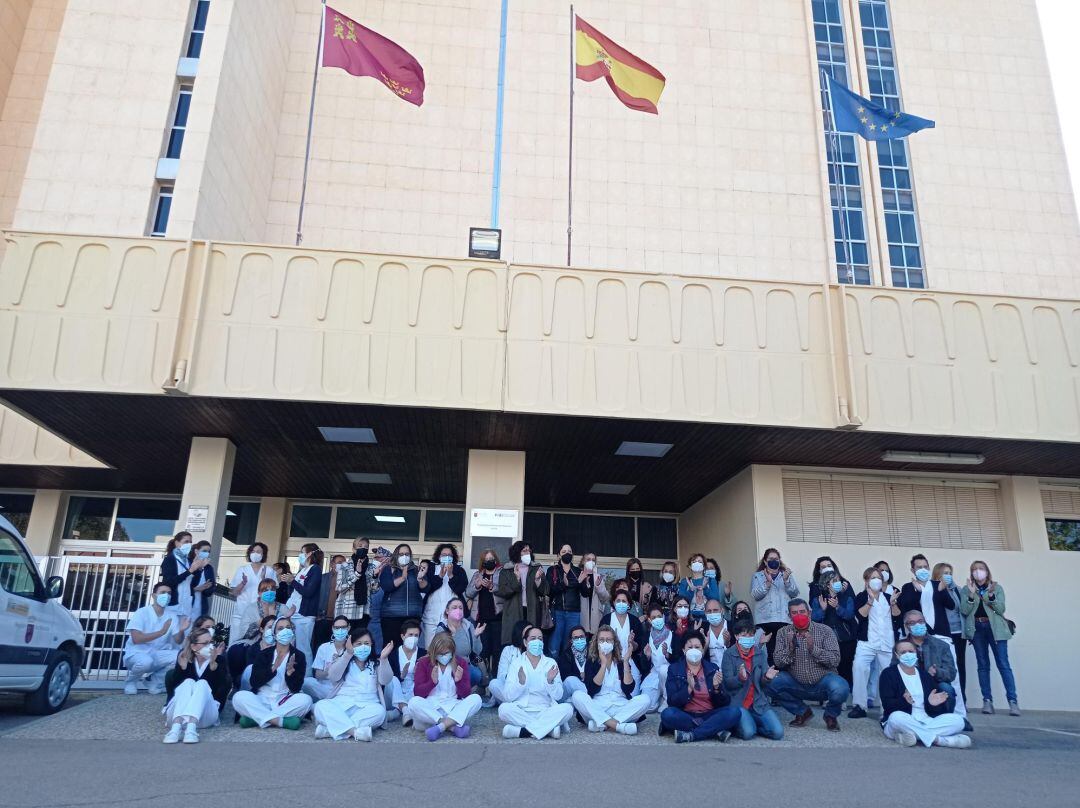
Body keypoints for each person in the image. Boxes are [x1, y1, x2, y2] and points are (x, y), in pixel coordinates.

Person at [764, 599, 849, 731]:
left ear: (809, 613)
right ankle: (802, 712)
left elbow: (835, 660)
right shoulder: (783, 632)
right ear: (789, 615)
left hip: (823, 682)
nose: (799, 615)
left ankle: (830, 716)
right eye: (794, 613)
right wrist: (791, 650)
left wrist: (813, 649)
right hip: (796, 682)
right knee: (768, 682)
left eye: (802, 612)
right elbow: (778, 662)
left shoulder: (825, 630)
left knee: (841, 687)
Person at [879, 639, 970, 748]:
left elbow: (937, 711)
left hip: (926, 720)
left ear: (916, 652)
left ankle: (910, 736)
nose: (908, 654)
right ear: (897, 655)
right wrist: (904, 701)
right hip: (903, 720)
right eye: (903, 652)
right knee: (896, 717)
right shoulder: (888, 674)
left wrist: (933, 704)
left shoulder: (924, 675)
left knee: (958, 721)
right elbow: (887, 705)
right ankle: (940, 740)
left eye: (911, 651)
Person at [959, 560, 1019, 716]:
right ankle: (987, 701)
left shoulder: (996, 587)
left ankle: (1013, 702)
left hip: (995, 629)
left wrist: (990, 595)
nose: (978, 572)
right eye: (974, 569)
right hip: (977, 629)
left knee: (1003, 664)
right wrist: (971, 595)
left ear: (987, 570)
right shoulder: (967, 589)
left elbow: (1000, 609)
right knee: (983, 665)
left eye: (981, 568)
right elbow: (964, 610)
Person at [232, 617, 313, 730]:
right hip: (262, 699)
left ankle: (256, 718)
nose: (285, 631)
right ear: (274, 634)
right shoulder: (264, 654)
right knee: (238, 697)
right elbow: (254, 682)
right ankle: (280, 721)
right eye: (280, 628)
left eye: (288, 628)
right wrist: (273, 668)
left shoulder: (299, 656)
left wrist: (290, 674)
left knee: (306, 700)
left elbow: (296, 688)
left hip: (284, 700)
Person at [661, 631, 741, 743]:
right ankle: (714, 730)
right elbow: (672, 701)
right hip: (685, 714)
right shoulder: (674, 669)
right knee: (668, 714)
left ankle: (692, 735)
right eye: (690, 647)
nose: (693, 650)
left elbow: (724, 703)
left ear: (703, 650)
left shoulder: (712, 668)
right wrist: (689, 688)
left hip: (709, 714)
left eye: (697, 647)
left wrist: (716, 688)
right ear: (684, 650)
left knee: (734, 712)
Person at [570, 625, 650, 734]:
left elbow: (628, 689)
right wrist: (603, 665)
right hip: (598, 707)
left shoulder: (621, 663)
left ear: (614, 642)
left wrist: (626, 661)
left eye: (609, 640)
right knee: (577, 695)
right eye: (602, 640)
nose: (605, 643)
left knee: (645, 699)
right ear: (596, 643)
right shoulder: (591, 662)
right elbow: (592, 689)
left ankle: (603, 724)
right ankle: (618, 726)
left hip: (620, 707)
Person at [499, 625, 574, 739]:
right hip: (522, 710)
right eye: (533, 638)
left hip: (546, 710)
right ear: (525, 642)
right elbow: (507, 696)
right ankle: (548, 730)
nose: (537, 642)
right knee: (503, 709)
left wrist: (550, 681)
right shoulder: (516, 663)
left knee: (568, 709)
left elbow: (558, 696)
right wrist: (520, 683)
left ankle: (521, 732)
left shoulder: (550, 663)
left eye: (540, 639)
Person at [311, 628, 387, 741]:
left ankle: (330, 730)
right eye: (359, 644)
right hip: (342, 704)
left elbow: (386, 680)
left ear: (372, 644)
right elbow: (332, 676)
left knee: (380, 712)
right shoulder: (344, 659)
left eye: (366, 643)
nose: (363, 647)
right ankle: (355, 732)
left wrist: (384, 659)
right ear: (351, 645)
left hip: (368, 705)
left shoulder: (376, 663)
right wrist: (347, 654)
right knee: (321, 706)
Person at [407, 632, 483, 741]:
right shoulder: (424, 663)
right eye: (440, 654)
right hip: (431, 707)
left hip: (453, 707)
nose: (443, 656)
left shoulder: (461, 662)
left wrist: (458, 681)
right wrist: (432, 682)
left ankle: (439, 727)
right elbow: (417, 692)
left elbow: (466, 694)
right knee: (413, 702)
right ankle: (452, 727)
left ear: (452, 651)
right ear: (434, 651)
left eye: (446, 653)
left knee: (476, 699)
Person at [161, 627, 229, 744]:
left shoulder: (219, 660)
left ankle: (191, 730)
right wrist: (182, 669)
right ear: (193, 647)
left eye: (211, 642)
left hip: (204, 716)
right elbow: (175, 691)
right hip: (178, 715)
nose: (210, 646)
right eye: (205, 643)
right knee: (188, 682)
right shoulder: (185, 658)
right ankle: (175, 730)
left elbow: (222, 691)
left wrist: (213, 666)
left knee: (202, 683)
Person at [850, 566, 900, 718]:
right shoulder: (861, 596)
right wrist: (870, 602)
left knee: (887, 674)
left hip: (886, 642)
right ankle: (860, 705)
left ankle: (887, 709)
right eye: (873, 578)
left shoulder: (887, 597)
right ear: (866, 581)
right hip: (867, 642)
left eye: (878, 577)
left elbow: (897, 615)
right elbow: (861, 615)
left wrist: (893, 604)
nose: (876, 580)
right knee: (859, 668)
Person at [722, 619, 784, 740]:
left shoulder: (760, 654)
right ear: (736, 636)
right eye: (744, 635)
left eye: (751, 635)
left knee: (778, 733)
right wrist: (739, 678)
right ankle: (746, 725)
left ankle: (755, 726)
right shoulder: (729, 654)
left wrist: (767, 677)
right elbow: (728, 683)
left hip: (758, 702)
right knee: (748, 733)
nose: (748, 638)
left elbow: (763, 684)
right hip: (739, 702)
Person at [123, 582, 188, 695]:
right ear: (153, 596)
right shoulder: (142, 612)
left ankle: (152, 681)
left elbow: (178, 640)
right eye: (163, 593)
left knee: (181, 656)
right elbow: (136, 639)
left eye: (169, 593)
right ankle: (131, 682)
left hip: (157, 654)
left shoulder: (172, 615)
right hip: (137, 654)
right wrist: (161, 632)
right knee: (146, 661)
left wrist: (182, 630)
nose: (166, 596)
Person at [809, 563, 857, 690]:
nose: (838, 583)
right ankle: (830, 694)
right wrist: (823, 609)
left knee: (846, 668)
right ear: (827, 584)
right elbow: (814, 618)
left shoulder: (846, 598)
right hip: (827, 641)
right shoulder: (819, 599)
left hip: (846, 639)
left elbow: (849, 615)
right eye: (834, 581)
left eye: (839, 580)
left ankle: (846, 694)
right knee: (829, 669)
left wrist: (837, 607)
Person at [750, 547, 799, 662]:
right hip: (765, 620)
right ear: (765, 561)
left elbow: (794, 593)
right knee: (769, 652)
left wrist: (786, 581)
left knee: (784, 650)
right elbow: (755, 595)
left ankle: (782, 675)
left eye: (776, 559)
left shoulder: (786, 574)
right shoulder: (757, 576)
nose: (774, 561)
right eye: (771, 559)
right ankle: (770, 676)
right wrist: (767, 584)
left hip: (783, 619)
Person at [228, 542, 277, 648]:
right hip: (241, 612)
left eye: (259, 551)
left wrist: (263, 579)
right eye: (253, 551)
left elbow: (272, 593)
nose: (255, 554)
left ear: (263, 554)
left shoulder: (269, 571)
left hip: (260, 615)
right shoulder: (242, 569)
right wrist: (243, 583)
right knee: (236, 644)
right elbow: (234, 593)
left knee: (258, 645)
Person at [499, 541, 547, 647]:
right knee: (514, 641)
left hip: (532, 610)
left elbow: (545, 590)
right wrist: (516, 579)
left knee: (531, 640)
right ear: (517, 552)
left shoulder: (536, 567)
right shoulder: (506, 570)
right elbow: (503, 591)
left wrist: (538, 580)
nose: (527, 553)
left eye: (529, 551)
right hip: (513, 610)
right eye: (524, 550)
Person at [420, 544, 468, 648]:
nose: (446, 557)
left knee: (451, 649)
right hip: (432, 617)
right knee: (431, 649)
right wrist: (440, 576)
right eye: (444, 554)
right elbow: (427, 588)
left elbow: (461, 589)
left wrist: (451, 575)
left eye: (449, 555)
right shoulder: (431, 570)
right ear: (438, 556)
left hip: (452, 618)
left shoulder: (459, 570)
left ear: (453, 557)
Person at [466, 548, 505, 670]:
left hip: (498, 618)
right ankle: (483, 681)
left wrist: (492, 586)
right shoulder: (477, 575)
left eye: (491, 559)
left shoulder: (501, 572)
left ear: (495, 560)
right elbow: (468, 593)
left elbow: (505, 591)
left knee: (497, 651)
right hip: (481, 619)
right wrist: (477, 586)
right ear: (483, 561)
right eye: (486, 559)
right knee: (483, 651)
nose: (489, 561)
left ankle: (494, 681)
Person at [378, 619, 423, 725]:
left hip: (413, 690)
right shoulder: (393, 654)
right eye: (410, 634)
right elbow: (386, 678)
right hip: (395, 690)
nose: (413, 638)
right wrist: (401, 675)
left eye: (416, 635)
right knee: (393, 679)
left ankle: (398, 712)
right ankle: (405, 711)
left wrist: (418, 675)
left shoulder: (423, 654)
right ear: (403, 636)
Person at [935, 561, 968, 703]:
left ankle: (961, 699)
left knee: (960, 665)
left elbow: (964, 609)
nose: (948, 576)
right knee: (943, 666)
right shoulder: (934, 589)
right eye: (944, 573)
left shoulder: (958, 590)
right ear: (937, 574)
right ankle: (944, 698)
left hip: (958, 633)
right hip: (943, 633)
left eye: (949, 573)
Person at [379, 543, 423, 647]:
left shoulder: (416, 570)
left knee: (410, 647)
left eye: (407, 554)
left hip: (413, 616)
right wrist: (402, 578)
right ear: (396, 555)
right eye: (401, 554)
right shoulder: (389, 568)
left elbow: (426, 588)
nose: (404, 556)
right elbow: (386, 586)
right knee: (391, 647)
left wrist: (421, 579)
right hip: (391, 616)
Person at [435, 596, 485, 687]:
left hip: (465, 664)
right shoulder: (442, 628)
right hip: (447, 666)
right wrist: (452, 635)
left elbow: (477, 651)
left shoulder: (468, 626)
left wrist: (476, 637)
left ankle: (463, 691)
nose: (458, 610)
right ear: (447, 611)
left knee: (476, 675)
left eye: (460, 608)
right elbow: (441, 653)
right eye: (454, 608)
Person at [303, 614, 353, 702]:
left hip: (344, 688)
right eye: (337, 628)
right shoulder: (324, 647)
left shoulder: (352, 648)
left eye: (343, 627)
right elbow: (318, 675)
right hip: (325, 688)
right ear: (332, 629)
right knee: (307, 682)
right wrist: (329, 670)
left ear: (348, 628)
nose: (340, 630)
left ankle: (325, 704)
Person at [285, 543, 323, 658]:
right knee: (290, 645)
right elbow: (294, 592)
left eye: (302, 552)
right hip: (293, 612)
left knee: (303, 648)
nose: (300, 555)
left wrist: (293, 581)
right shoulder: (302, 570)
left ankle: (306, 675)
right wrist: (289, 582)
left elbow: (308, 592)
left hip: (304, 615)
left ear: (310, 554)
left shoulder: (315, 569)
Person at [334, 537, 377, 632]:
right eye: (360, 546)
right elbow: (339, 587)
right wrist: (357, 574)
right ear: (353, 549)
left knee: (359, 641)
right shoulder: (345, 566)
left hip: (364, 611)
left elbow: (374, 590)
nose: (363, 548)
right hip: (347, 611)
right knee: (346, 640)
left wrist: (375, 576)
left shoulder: (371, 567)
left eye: (366, 547)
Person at [546, 543, 582, 656]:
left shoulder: (577, 571)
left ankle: (568, 670)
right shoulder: (553, 570)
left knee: (570, 645)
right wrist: (563, 584)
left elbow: (585, 593)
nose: (567, 554)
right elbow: (549, 590)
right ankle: (553, 670)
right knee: (554, 644)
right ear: (558, 555)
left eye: (570, 552)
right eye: (564, 552)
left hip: (574, 612)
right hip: (557, 611)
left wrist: (586, 584)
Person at [160, 531, 204, 621]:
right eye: (186, 542)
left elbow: (193, 583)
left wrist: (198, 569)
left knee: (184, 632)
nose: (189, 544)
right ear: (176, 542)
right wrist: (190, 571)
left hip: (186, 604)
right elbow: (169, 582)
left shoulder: (188, 561)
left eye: (190, 542)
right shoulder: (170, 559)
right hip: (173, 604)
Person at [640, 604, 674, 711]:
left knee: (664, 670)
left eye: (659, 616)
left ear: (663, 617)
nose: (657, 619)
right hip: (654, 672)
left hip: (669, 672)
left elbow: (678, 658)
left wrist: (668, 655)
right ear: (649, 620)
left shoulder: (672, 634)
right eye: (654, 618)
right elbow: (644, 667)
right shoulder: (646, 636)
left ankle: (666, 700)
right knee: (648, 707)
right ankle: (658, 697)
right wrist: (647, 656)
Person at [489, 620, 531, 705]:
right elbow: (501, 676)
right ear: (519, 634)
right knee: (494, 683)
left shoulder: (535, 650)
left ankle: (518, 703)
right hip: (510, 690)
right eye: (527, 633)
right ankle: (519, 703)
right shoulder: (508, 650)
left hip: (528, 690)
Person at [599, 589, 646, 661]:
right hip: (609, 661)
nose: (621, 603)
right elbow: (600, 642)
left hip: (630, 661)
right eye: (618, 601)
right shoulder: (606, 620)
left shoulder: (634, 621)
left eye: (624, 601)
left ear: (628, 604)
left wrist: (632, 642)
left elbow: (639, 647)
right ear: (614, 603)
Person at [679, 552, 719, 620]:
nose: (697, 563)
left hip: (708, 619)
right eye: (694, 562)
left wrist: (705, 588)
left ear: (704, 566)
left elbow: (715, 600)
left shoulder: (711, 580)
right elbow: (681, 602)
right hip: (690, 618)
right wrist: (691, 590)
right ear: (689, 566)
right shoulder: (685, 581)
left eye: (700, 562)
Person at [558, 624, 590, 702]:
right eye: (576, 638)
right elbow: (564, 675)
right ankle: (589, 701)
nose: (579, 639)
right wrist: (580, 675)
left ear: (585, 637)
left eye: (581, 637)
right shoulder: (565, 655)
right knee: (571, 680)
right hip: (569, 691)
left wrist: (587, 675)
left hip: (588, 688)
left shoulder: (593, 653)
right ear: (571, 640)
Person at [187, 540, 215, 620]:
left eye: (208, 551)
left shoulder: (208, 568)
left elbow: (211, 589)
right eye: (204, 551)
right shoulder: (188, 564)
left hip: (201, 606)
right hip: (187, 604)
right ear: (196, 551)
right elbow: (185, 582)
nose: (206, 553)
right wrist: (196, 589)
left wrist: (206, 588)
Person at [703, 598, 730, 668]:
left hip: (730, 672)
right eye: (709, 611)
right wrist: (705, 646)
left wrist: (728, 643)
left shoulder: (732, 627)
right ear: (705, 613)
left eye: (715, 610)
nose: (712, 613)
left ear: (722, 611)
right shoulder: (702, 630)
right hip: (710, 673)